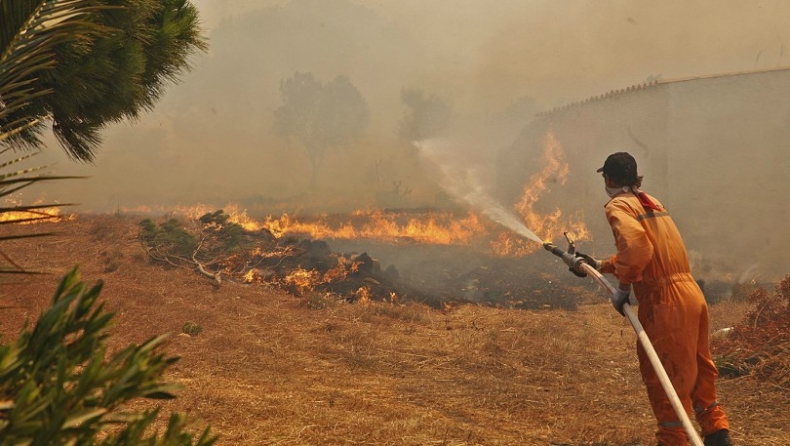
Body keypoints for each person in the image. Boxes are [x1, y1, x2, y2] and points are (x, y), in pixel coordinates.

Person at [580, 152, 732, 446]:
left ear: (609, 179)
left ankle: (674, 441)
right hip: (690, 295)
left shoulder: (617, 206)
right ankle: (716, 435)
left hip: (667, 303)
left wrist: (624, 287)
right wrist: (600, 265)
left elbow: (637, 249)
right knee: (698, 373)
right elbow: (651, 251)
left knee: (668, 379)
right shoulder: (650, 202)